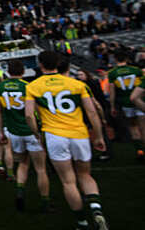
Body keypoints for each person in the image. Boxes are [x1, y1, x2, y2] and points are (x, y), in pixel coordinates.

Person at [25, 51, 108, 230]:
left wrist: (37, 134)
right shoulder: (77, 84)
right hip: (79, 133)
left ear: (40, 64)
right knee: (85, 175)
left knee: (68, 181)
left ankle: (81, 222)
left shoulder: (33, 86)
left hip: (54, 135)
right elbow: (92, 112)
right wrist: (99, 135)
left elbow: (29, 116)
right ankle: (96, 209)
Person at [0, 60, 50, 213]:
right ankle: (45, 202)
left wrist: (0, 131)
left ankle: (20, 191)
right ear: (23, 71)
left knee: (23, 164)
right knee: (40, 169)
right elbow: (35, 112)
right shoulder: (28, 86)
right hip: (30, 131)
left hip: (14, 132)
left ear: (8, 71)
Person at [107, 50, 144, 159]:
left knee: (133, 127)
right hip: (140, 100)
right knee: (143, 127)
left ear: (115, 59)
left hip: (125, 102)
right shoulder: (136, 70)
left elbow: (112, 91)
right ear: (127, 59)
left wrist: (112, 106)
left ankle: (139, 150)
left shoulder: (112, 73)